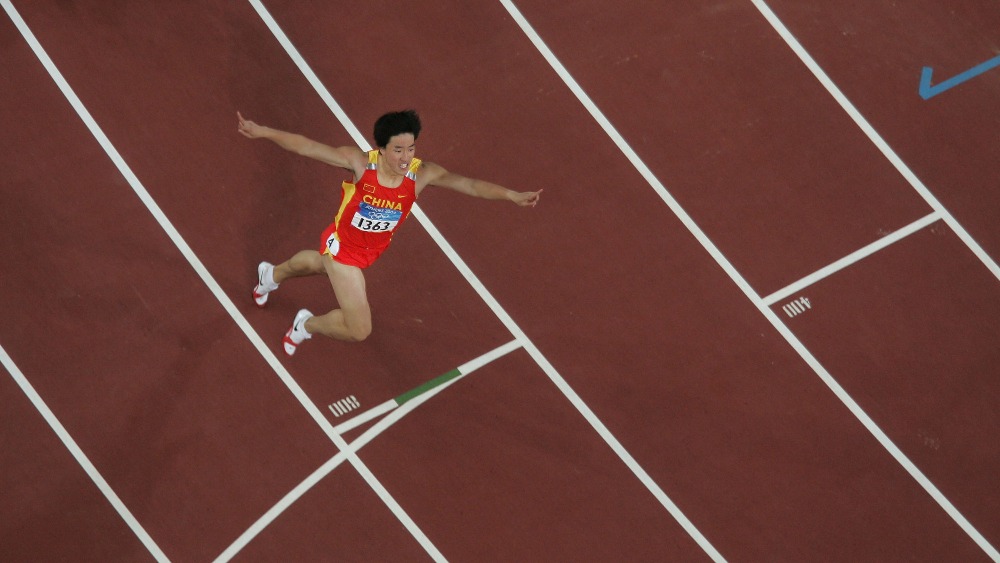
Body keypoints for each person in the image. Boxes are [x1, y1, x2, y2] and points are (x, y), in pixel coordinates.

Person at [237, 110, 541, 356]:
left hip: (367, 252)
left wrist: (511, 195)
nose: (405, 157)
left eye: (410, 148)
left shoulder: (421, 175)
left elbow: (470, 185)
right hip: (345, 252)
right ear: (381, 148)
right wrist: (265, 132)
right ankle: (306, 324)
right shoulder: (360, 164)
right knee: (360, 330)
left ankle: (271, 275)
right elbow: (307, 146)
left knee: (315, 264)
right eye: (398, 150)